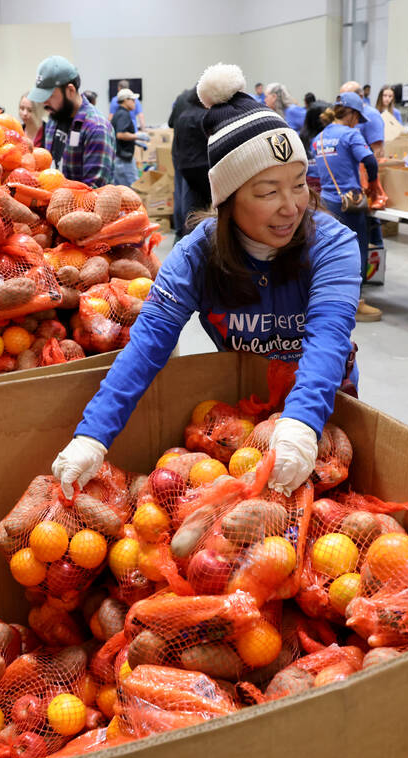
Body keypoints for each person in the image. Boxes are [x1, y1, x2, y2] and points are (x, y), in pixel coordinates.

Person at [51, 63, 362, 498]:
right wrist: (92, 436)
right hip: (242, 427)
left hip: (324, 415)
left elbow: (328, 338)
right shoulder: (196, 257)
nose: (291, 206)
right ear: (228, 201)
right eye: (268, 192)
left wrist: (302, 425)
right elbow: (146, 347)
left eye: (298, 184)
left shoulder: (333, 246)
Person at [309, 93, 381, 323]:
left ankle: (331, 298)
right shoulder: (351, 135)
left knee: (331, 250)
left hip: (328, 201)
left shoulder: (318, 139)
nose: (358, 123)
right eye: (357, 117)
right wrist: (373, 185)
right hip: (350, 203)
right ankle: (356, 302)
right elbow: (370, 161)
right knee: (356, 250)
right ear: (350, 114)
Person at [28, 55, 115, 187]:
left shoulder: (96, 128)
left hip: (81, 207)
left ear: (70, 90)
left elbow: (94, 191)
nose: (44, 102)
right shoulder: (54, 118)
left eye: (50, 96)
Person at [169, 86, 211, 238]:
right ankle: (192, 233)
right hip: (200, 164)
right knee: (195, 203)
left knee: (182, 196)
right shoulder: (203, 115)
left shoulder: (183, 111)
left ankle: (181, 230)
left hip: (181, 160)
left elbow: (170, 124)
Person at [111, 88, 147, 186]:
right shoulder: (123, 114)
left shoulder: (118, 113)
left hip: (118, 158)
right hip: (124, 160)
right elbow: (120, 134)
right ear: (126, 100)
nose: (135, 103)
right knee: (133, 189)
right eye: (133, 100)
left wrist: (135, 142)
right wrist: (137, 136)